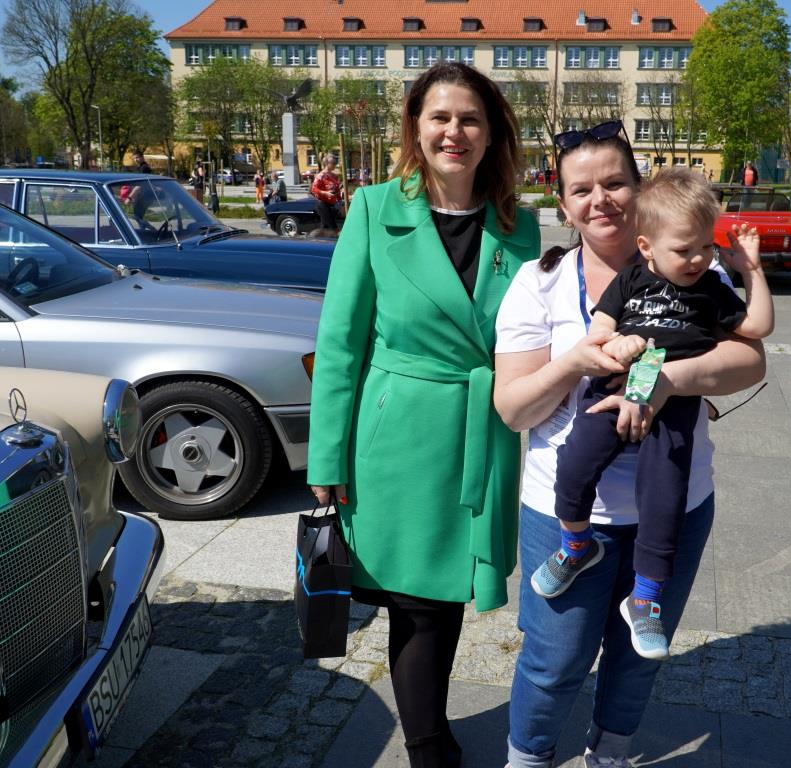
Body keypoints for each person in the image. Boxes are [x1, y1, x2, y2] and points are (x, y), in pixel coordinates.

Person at [493, 119, 766, 768]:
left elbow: (751, 361)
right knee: (554, 659)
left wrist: (666, 382)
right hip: (564, 510)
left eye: (615, 183)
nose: (601, 200)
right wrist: (573, 363)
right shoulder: (539, 282)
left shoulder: (695, 269)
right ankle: (527, 758)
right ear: (564, 206)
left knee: (638, 657)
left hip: (676, 501)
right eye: (581, 189)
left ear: (639, 191)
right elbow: (513, 409)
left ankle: (610, 753)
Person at [307, 62, 540, 768]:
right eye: (439, 117)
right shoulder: (374, 210)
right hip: (396, 438)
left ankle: (431, 736)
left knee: (444, 596)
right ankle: (429, 747)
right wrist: (326, 458)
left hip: (479, 434)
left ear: (492, 133)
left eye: (470, 119)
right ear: (415, 127)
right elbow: (339, 344)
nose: (454, 132)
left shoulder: (520, 226)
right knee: (417, 603)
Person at [532, 168, 774, 660]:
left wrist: (751, 270)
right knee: (575, 462)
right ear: (646, 247)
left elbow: (758, 328)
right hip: (615, 388)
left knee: (664, 495)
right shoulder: (630, 280)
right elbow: (597, 334)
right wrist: (618, 343)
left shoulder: (711, 287)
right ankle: (576, 544)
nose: (699, 258)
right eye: (684, 249)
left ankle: (645, 597)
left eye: (706, 246)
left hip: (674, 404)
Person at [311, 154, 343, 231]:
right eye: (333, 163)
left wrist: (340, 202)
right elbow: (313, 189)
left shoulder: (334, 176)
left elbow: (337, 190)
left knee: (326, 228)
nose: (335, 165)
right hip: (323, 204)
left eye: (336, 163)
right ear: (327, 164)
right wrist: (325, 193)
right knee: (333, 228)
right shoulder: (321, 175)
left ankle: (321, 237)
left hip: (332, 205)